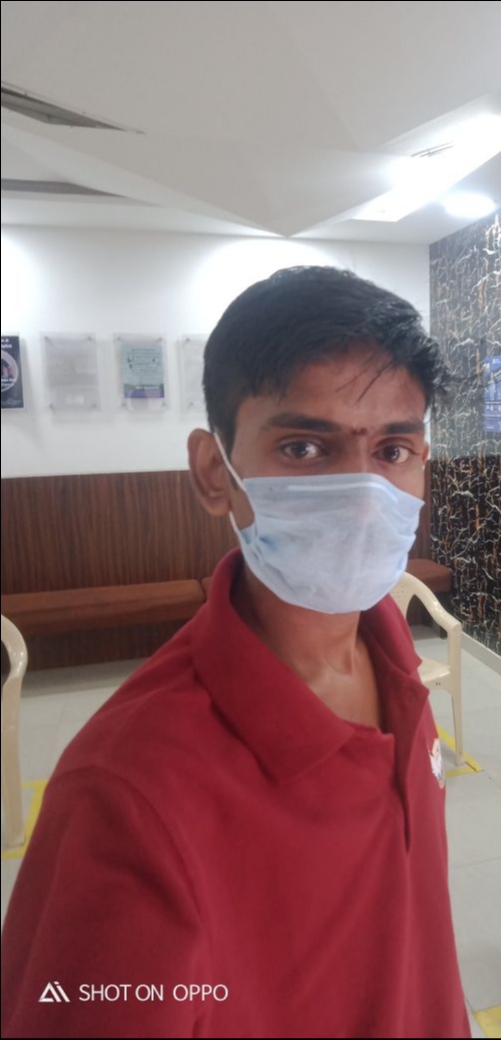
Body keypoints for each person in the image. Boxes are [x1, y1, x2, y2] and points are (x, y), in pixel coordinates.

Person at [0, 266, 471, 1039]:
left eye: (394, 449)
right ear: (214, 472)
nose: (362, 498)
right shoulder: (126, 802)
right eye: (304, 447)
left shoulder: (399, 669)